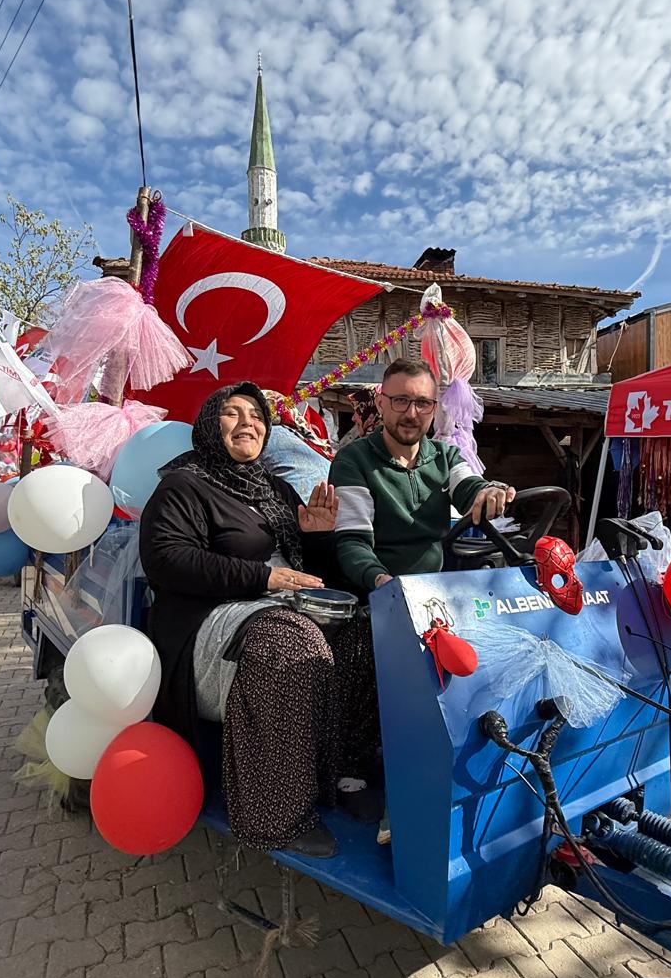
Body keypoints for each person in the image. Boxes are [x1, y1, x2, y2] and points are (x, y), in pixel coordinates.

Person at [139, 382, 373, 858]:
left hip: (281, 610)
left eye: (258, 415)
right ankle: (275, 813)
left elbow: (306, 576)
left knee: (368, 629)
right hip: (209, 624)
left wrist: (317, 541)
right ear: (209, 425)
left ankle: (339, 770)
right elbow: (166, 559)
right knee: (288, 644)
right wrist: (263, 580)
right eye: (233, 412)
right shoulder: (184, 486)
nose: (249, 421)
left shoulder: (277, 489)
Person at [329, 358, 515, 592]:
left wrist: (489, 491)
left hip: (435, 594)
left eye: (423, 403)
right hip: (374, 599)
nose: (411, 414)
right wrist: (380, 580)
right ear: (380, 404)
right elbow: (353, 541)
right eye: (400, 401)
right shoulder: (353, 461)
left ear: (434, 408)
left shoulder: (444, 456)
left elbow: (469, 487)